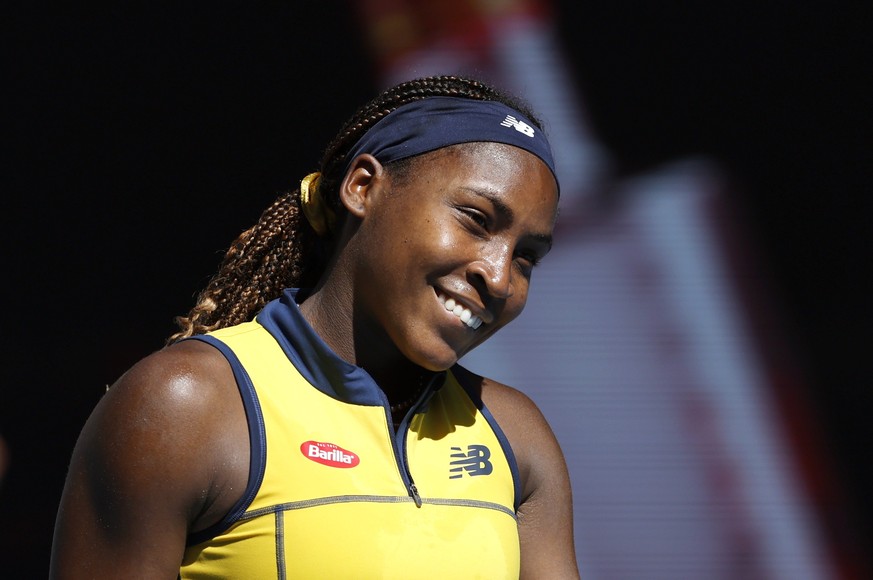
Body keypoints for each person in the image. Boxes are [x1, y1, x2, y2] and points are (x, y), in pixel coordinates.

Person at [50, 74, 579, 579]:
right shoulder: (184, 407)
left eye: (527, 256)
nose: (500, 276)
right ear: (362, 187)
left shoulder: (516, 437)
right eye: (476, 219)